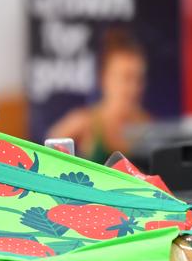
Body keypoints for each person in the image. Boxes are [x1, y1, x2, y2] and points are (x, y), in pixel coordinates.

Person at [47, 28, 149, 164]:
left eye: (139, 79)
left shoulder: (148, 127)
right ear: (104, 78)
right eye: (126, 78)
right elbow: (47, 159)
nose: (133, 87)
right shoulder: (83, 123)